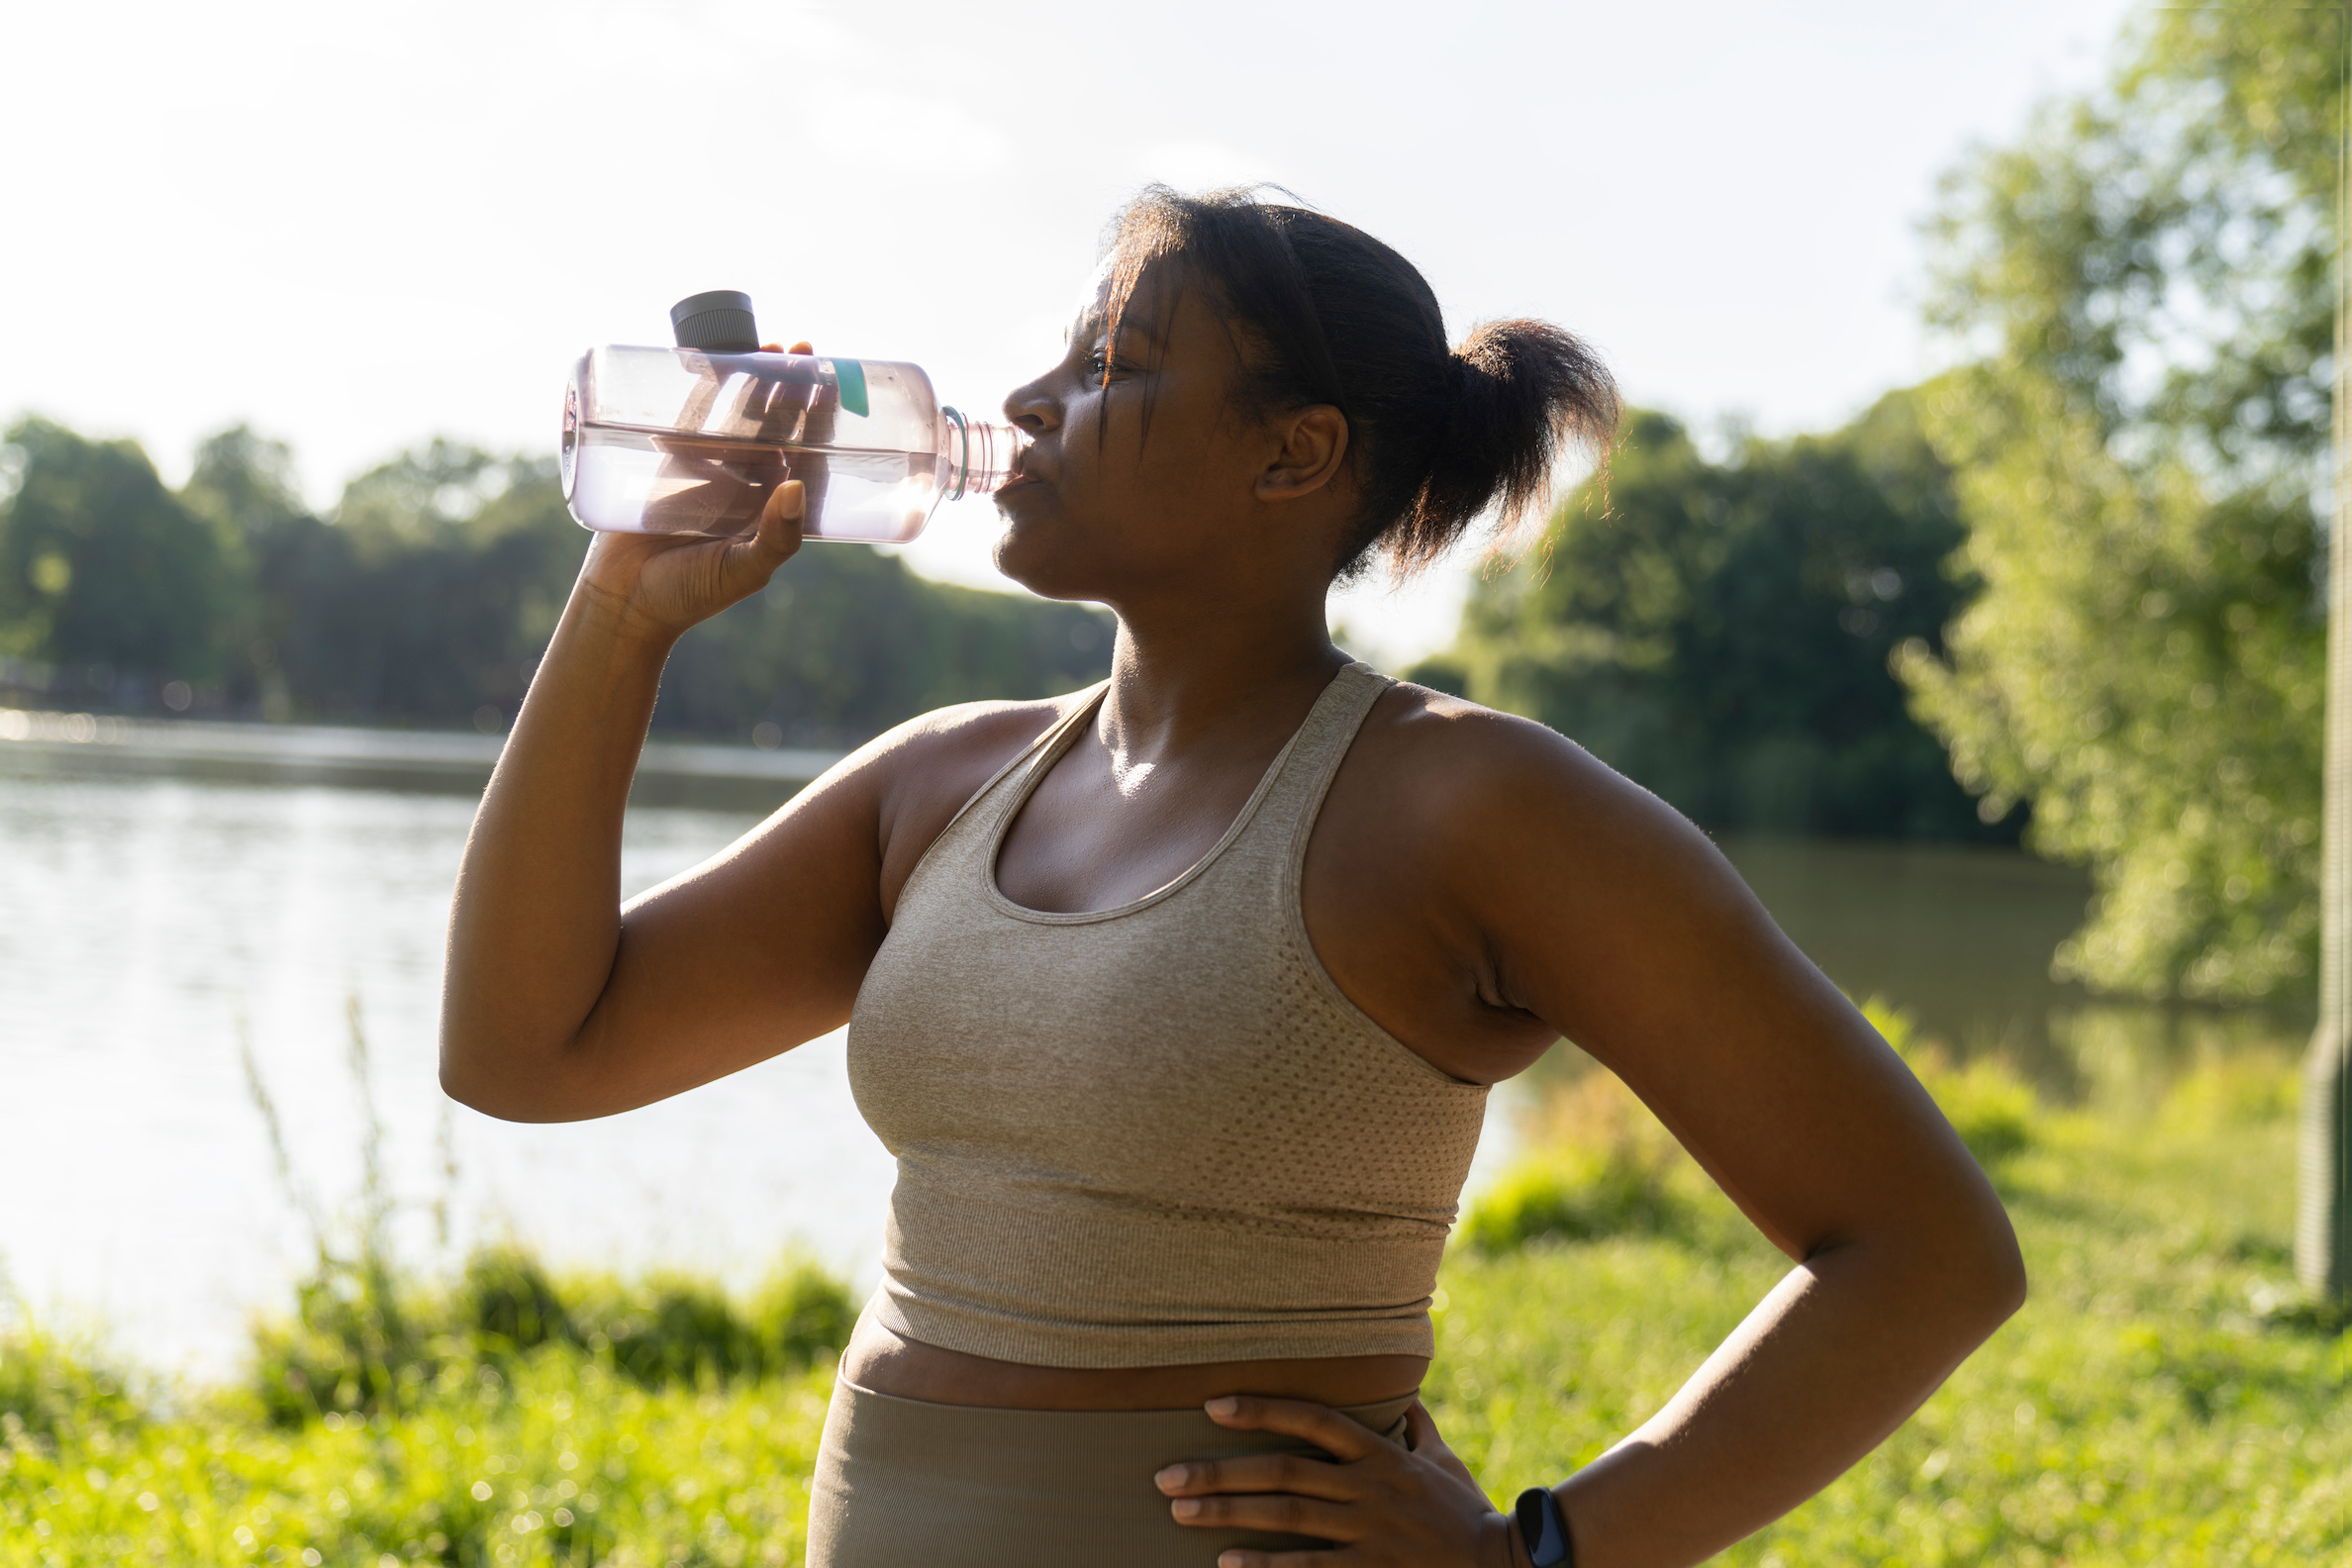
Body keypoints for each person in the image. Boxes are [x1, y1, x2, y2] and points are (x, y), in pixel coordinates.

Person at [440, 186, 2025, 1568]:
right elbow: (528, 1051)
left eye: (1111, 368)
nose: (1031, 400)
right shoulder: (938, 783)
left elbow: (1923, 1252)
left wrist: (1543, 1552)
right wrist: (625, 609)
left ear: (1295, 454)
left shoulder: (1472, 806)